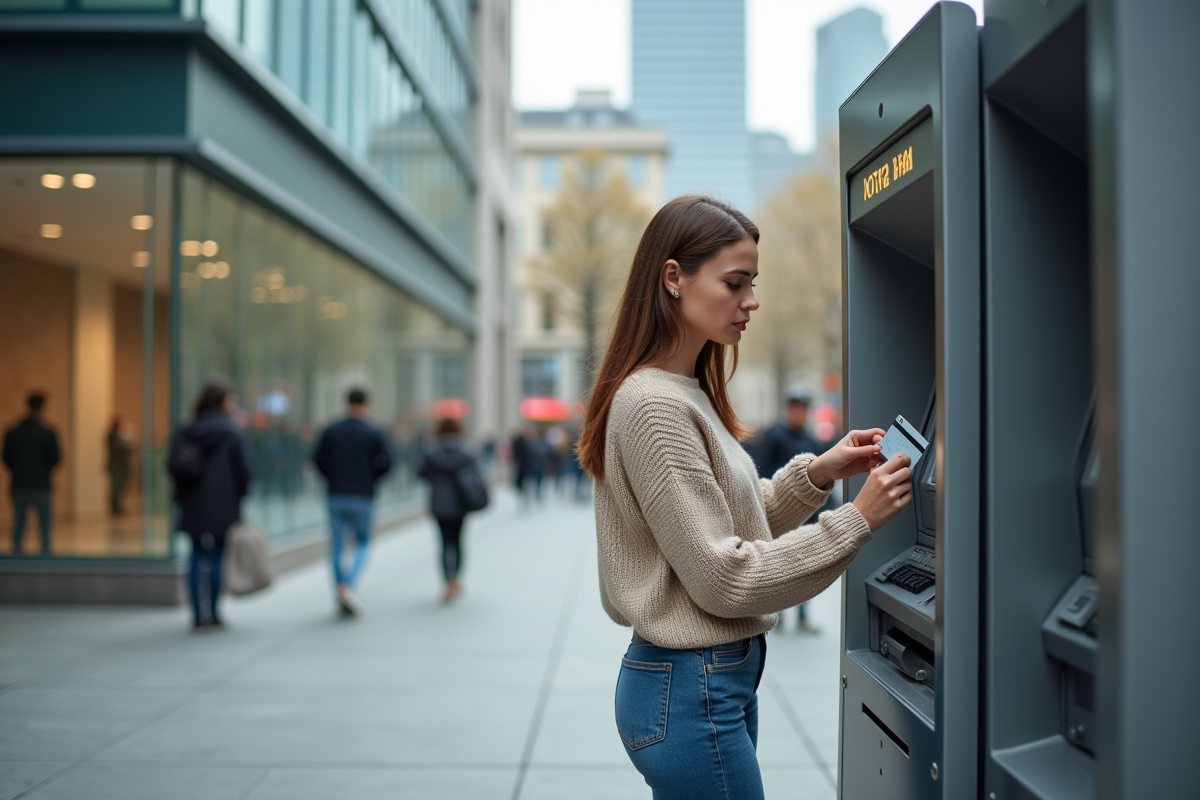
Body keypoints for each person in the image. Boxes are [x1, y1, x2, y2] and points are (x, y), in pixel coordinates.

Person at [576, 195, 913, 800]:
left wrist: (819, 473)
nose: (751, 301)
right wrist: (856, 520)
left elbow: (721, 515)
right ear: (673, 277)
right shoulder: (655, 405)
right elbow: (723, 576)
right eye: (735, 283)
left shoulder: (681, 389)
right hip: (691, 689)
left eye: (752, 283)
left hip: (702, 685)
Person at [169, 384, 253, 630]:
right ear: (222, 403)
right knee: (217, 555)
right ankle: (214, 612)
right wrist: (239, 499)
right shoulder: (231, 432)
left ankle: (197, 614)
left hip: (192, 501)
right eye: (230, 400)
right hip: (223, 502)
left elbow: (172, 466)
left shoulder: (186, 430)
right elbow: (245, 472)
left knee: (196, 554)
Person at [757, 385, 832, 633]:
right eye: (796, 408)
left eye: (803, 408)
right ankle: (776, 615)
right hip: (781, 510)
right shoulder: (775, 436)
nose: (799, 413)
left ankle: (802, 616)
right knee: (779, 563)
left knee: (805, 564)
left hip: (806, 513)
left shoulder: (810, 439)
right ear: (788, 409)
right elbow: (762, 469)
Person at [312, 388, 392, 616]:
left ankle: (342, 587)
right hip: (363, 495)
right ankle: (348, 584)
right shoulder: (374, 431)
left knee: (337, 547)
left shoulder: (332, 429)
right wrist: (371, 479)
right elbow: (388, 462)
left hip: (336, 494)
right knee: (363, 542)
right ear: (366, 404)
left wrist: (331, 477)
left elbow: (317, 459)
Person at [417, 418, 485, 602]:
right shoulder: (468, 450)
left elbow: (421, 473)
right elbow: (478, 474)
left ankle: (448, 580)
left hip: (439, 502)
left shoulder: (431, 450)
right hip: (461, 501)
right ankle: (455, 579)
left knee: (444, 543)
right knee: (458, 541)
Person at [3, 392, 61, 555]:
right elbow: (55, 458)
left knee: (19, 525)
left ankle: (16, 556)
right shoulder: (47, 433)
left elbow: (6, 459)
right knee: (44, 527)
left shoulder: (12, 432)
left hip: (19, 484)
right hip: (40, 485)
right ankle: (45, 556)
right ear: (43, 406)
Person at [106, 417, 135, 516]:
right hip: (116, 466)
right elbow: (121, 449)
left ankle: (118, 504)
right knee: (117, 486)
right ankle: (115, 506)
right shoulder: (112, 436)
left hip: (122, 465)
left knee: (122, 485)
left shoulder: (119, 436)